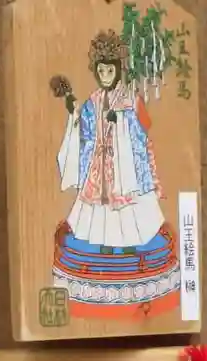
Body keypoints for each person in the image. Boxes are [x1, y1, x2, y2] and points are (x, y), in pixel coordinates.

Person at [55, 30, 162, 253]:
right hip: (100, 164)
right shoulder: (93, 101)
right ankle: (105, 247)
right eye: (101, 71)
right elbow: (85, 133)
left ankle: (130, 246)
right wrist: (74, 114)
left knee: (126, 205)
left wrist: (122, 119)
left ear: (118, 69)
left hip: (124, 166)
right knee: (101, 208)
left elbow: (144, 128)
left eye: (110, 71)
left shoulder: (130, 98)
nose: (105, 76)